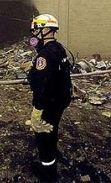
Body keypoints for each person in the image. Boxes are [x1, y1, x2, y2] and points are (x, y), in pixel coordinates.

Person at [27, 14, 72, 182]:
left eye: (36, 30)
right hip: (60, 100)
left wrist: (37, 110)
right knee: (52, 127)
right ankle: (53, 153)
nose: (34, 35)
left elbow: (41, 86)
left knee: (42, 134)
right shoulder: (59, 48)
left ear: (45, 30)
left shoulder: (44, 56)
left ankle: (48, 170)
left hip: (48, 103)